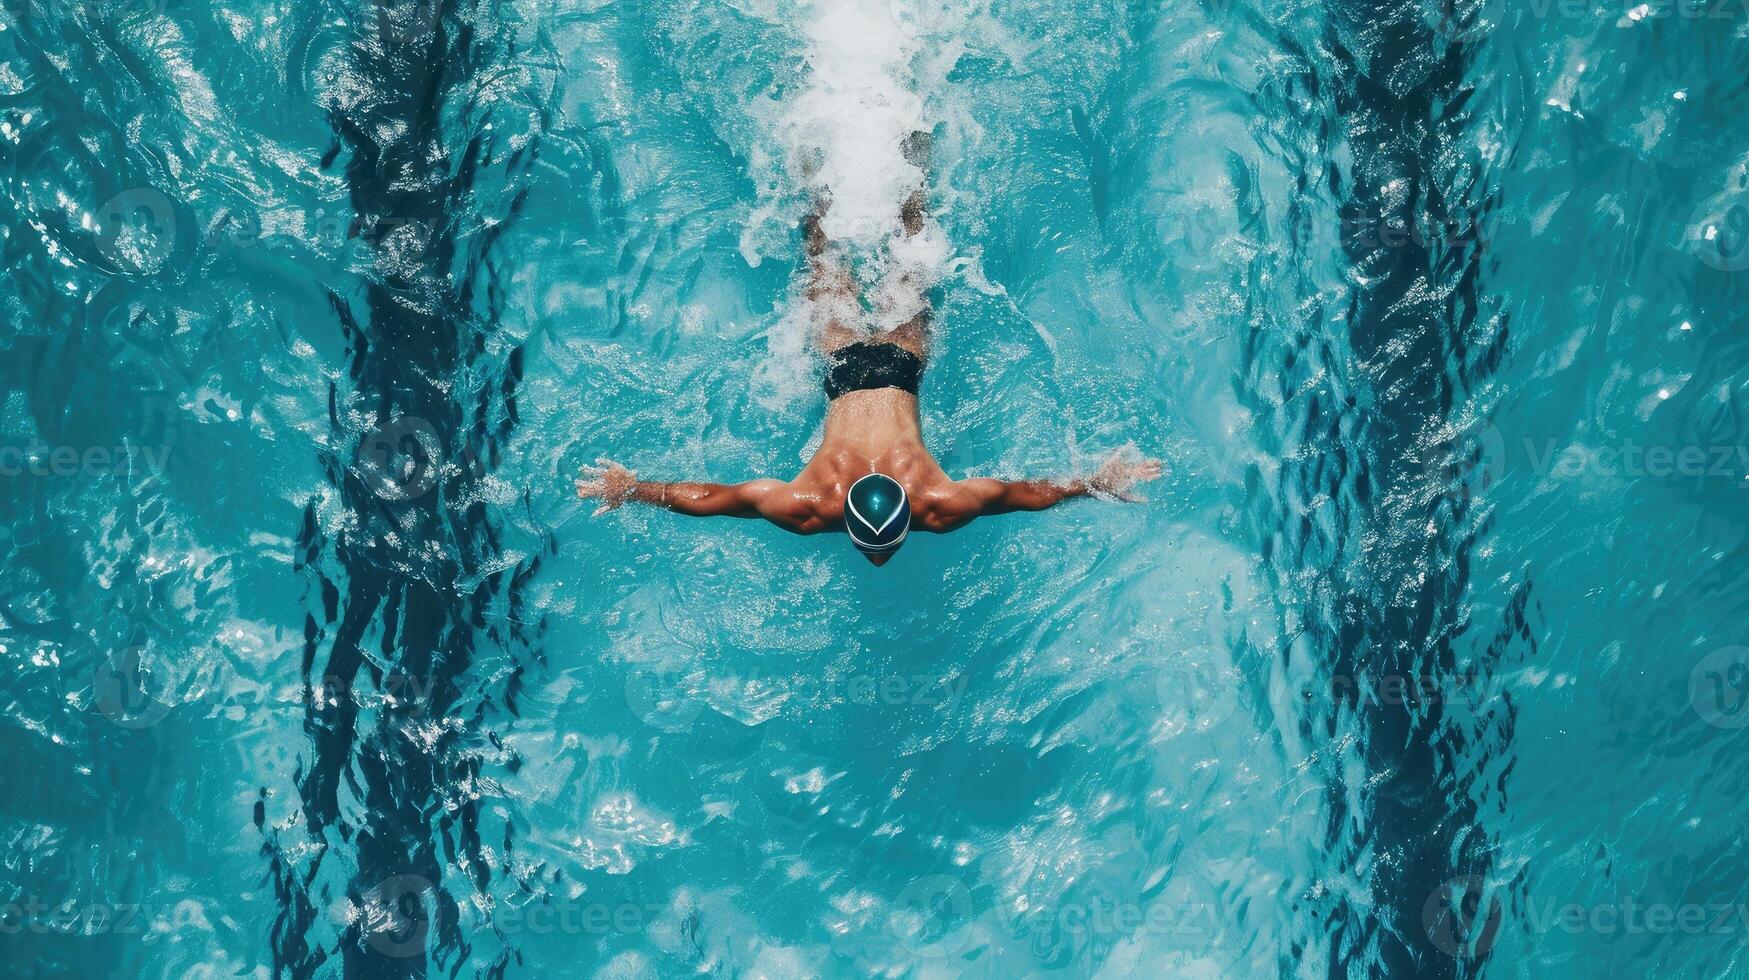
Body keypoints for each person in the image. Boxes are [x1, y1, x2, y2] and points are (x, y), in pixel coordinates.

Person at [577, 136, 1160, 566]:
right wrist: (1090, 482)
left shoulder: (820, 502)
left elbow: (716, 498)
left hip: (895, 365)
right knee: (837, 249)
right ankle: (872, 141)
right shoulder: (930, 502)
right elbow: (1021, 494)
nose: (878, 559)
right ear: (905, 520)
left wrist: (638, 489)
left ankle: (876, 141)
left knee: (880, 249)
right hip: (848, 364)